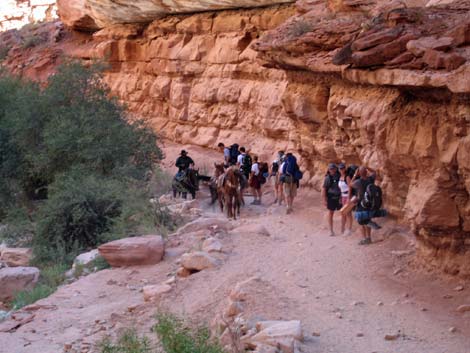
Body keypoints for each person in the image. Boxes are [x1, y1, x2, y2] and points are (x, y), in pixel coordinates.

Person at [349, 166, 379, 245]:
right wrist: (367, 167)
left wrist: (355, 175)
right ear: (366, 172)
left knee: (361, 222)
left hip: (361, 204)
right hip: (370, 203)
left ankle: (364, 238)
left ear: (359, 173)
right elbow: (375, 172)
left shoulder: (358, 182)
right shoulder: (371, 179)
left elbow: (350, 184)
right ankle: (369, 238)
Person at [322, 163, 342, 236]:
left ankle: (343, 229)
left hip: (339, 197)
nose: (332, 170)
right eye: (330, 169)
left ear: (336, 169)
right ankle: (331, 230)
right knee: (331, 213)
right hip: (331, 197)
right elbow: (324, 189)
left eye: (333, 169)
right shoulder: (328, 178)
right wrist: (324, 199)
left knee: (343, 212)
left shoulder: (340, 176)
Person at [338, 163, 353, 236]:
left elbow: (350, 187)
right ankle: (343, 228)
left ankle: (349, 229)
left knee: (348, 213)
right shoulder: (340, 177)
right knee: (344, 213)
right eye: (340, 169)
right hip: (343, 196)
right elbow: (340, 188)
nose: (341, 170)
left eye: (342, 168)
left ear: (345, 169)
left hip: (347, 196)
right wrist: (340, 197)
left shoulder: (347, 177)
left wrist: (348, 198)